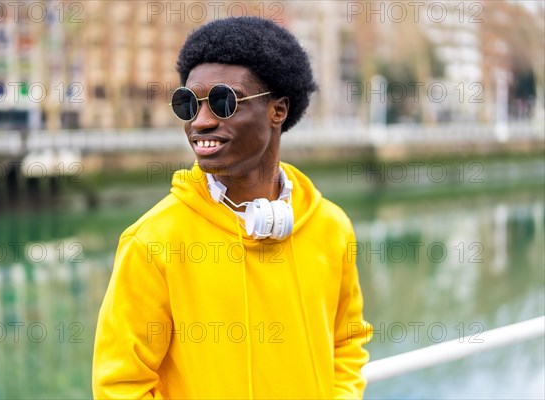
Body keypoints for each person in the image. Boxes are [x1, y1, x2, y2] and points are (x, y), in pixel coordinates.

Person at [93, 16, 372, 399]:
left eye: (224, 102)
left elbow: (348, 344)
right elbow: (120, 386)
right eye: (188, 103)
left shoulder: (332, 227)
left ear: (278, 110)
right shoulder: (152, 242)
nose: (201, 121)